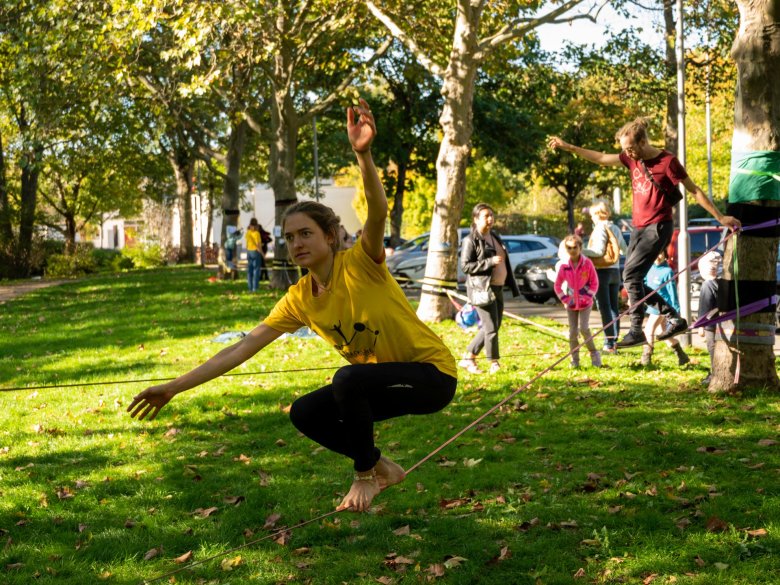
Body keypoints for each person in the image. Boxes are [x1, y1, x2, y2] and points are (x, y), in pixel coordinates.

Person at [127, 99, 457, 513]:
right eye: (290, 237)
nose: (297, 243)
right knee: (305, 412)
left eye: (306, 234)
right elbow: (240, 349)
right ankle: (381, 466)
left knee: (347, 380)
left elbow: (377, 211)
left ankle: (364, 477)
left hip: (432, 377)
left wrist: (363, 154)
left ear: (331, 237)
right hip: (380, 384)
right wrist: (174, 388)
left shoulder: (362, 264)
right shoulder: (299, 298)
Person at [548, 120, 741, 348]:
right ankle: (673, 317)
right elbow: (600, 158)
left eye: (631, 148)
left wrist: (720, 217)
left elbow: (694, 190)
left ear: (643, 141)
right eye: (624, 149)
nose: (627, 153)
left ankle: (638, 329)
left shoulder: (667, 161)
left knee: (631, 276)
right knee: (631, 279)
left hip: (658, 227)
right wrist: (569, 147)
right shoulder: (630, 158)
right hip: (638, 228)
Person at [459, 203, 521, 375]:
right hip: (482, 289)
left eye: (492, 215)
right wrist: (489, 262)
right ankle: (494, 363)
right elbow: (465, 266)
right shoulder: (470, 240)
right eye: (486, 216)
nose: (490, 219)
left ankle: (468, 357)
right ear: (476, 219)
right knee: (491, 327)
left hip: (498, 287)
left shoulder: (494, 236)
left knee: (493, 326)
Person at [582, 200, 628, 353]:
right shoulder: (614, 227)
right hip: (615, 271)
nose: (591, 218)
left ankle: (608, 344)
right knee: (614, 308)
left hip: (602, 271)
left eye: (592, 215)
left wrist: (580, 250)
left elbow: (598, 252)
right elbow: (624, 250)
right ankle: (613, 342)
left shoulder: (600, 228)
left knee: (604, 308)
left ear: (597, 214)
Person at [554, 235, 602, 368]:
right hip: (571, 304)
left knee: (584, 329)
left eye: (575, 247)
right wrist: (564, 298)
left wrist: (587, 296)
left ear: (580, 247)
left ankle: (594, 353)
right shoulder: (564, 266)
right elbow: (557, 285)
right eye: (569, 248)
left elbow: (594, 282)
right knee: (573, 332)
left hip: (585, 303)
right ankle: (575, 360)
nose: (572, 250)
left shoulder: (587, 263)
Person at [641, 251, 690, 367]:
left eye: (661, 254)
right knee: (664, 334)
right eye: (656, 254)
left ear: (665, 255)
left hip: (662, 307)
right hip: (651, 307)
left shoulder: (667, 272)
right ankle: (682, 356)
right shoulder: (649, 269)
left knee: (648, 330)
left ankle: (646, 359)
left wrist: (676, 309)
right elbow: (645, 285)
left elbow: (672, 292)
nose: (658, 256)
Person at [696, 250, 721, 386]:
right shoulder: (719, 283)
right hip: (723, 324)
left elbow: (704, 307)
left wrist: (700, 326)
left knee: (712, 350)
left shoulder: (707, 285)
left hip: (711, 325)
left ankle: (714, 375)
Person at [245, 218, 262, 292]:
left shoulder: (248, 233)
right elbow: (258, 245)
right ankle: (255, 288)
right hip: (256, 252)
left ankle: (249, 288)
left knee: (250, 271)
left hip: (249, 252)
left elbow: (247, 243)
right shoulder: (257, 233)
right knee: (256, 270)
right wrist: (262, 254)